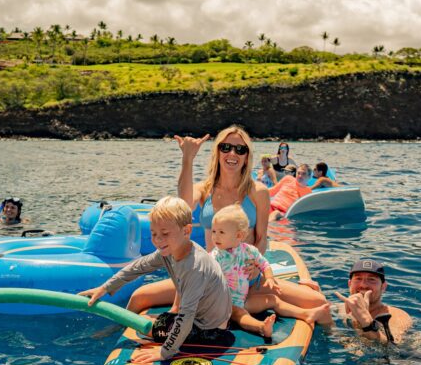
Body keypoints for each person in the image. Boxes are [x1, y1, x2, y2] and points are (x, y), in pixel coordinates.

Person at [120, 126, 328, 318]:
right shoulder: (205, 190)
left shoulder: (258, 192)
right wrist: (188, 159)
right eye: (226, 147)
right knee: (140, 296)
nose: (232, 154)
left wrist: (256, 265)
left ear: (247, 157)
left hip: (247, 277)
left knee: (317, 302)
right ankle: (122, 343)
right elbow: (182, 205)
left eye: (240, 149)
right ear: (217, 152)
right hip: (209, 278)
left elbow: (262, 237)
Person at [80, 196, 233, 364]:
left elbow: (186, 317)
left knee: (142, 325)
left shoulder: (195, 267)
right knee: (144, 320)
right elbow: (138, 267)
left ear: (186, 231)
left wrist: (165, 352)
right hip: (201, 318)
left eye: (165, 234)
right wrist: (104, 288)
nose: (158, 240)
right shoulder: (171, 251)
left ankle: (117, 329)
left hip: (210, 330)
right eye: (154, 234)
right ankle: (118, 328)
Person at [211, 205, 329, 338]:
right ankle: (261, 327)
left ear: (239, 235)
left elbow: (264, 264)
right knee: (240, 314)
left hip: (245, 300)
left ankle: (305, 314)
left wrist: (270, 278)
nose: (215, 237)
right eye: (213, 231)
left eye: (221, 232)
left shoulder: (249, 250)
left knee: (273, 300)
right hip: (228, 304)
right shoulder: (216, 256)